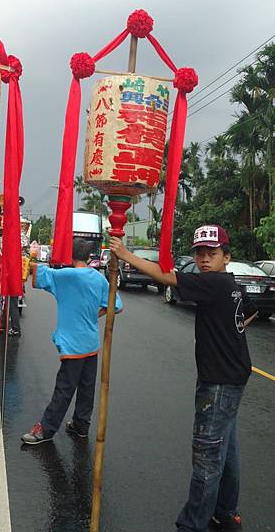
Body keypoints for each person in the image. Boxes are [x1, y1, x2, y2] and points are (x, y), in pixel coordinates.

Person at [110, 224, 258, 532]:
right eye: (200, 254)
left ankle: (192, 526)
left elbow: (166, 276)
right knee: (226, 447)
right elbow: (248, 312)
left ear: (226, 257)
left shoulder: (213, 283)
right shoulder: (230, 284)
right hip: (234, 377)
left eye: (212, 254)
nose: (204, 260)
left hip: (218, 383)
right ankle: (225, 511)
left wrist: (125, 254)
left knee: (207, 455)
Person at [21, 238, 123, 444]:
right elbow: (116, 305)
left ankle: (46, 430)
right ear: (88, 256)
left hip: (73, 344)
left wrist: (29, 257)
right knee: (86, 388)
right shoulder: (99, 278)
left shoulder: (65, 275)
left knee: (64, 388)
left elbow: (37, 272)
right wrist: (95, 315)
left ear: (71, 255)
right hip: (91, 342)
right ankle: (81, 425)